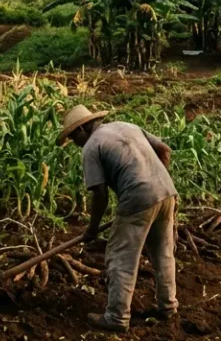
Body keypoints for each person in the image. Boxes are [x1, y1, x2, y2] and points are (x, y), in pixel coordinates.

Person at [59, 105, 179, 332]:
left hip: (138, 198)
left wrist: (91, 229)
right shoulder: (127, 126)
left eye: (74, 136)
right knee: (163, 252)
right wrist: (158, 183)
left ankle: (116, 317)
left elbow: (100, 194)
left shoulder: (92, 147)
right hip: (166, 192)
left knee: (120, 257)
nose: (75, 142)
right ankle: (168, 306)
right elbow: (164, 150)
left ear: (83, 129)